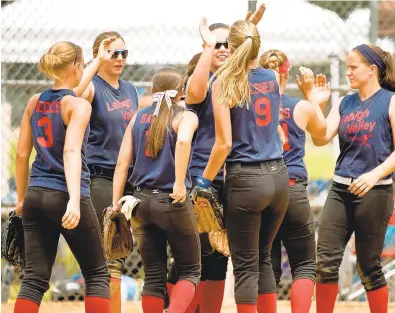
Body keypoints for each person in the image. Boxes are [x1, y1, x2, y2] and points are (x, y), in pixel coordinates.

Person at [196, 20, 289, 313]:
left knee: (246, 265)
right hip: (279, 176)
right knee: (263, 259)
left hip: (246, 178)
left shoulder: (223, 81)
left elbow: (223, 144)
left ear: (232, 47)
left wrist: (204, 181)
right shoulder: (273, 77)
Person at [313, 44, 395, 313]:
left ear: (372, 70)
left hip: (375, 191)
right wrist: (315, 107)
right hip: (340, 189)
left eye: (353, 67)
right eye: (347, 67)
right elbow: (320, 138)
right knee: (325, 262)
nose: (348, 73)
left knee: (368, 266)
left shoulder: (392, 101)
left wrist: (373, 175)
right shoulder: (345, 102)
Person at [14, 41, 110, 313]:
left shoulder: (35, 102)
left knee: (34, 279)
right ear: (75, 67)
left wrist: (21, 198)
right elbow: (70, 150)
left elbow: (22, 155)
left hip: (35, 194)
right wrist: (75, 201)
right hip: (65, 194)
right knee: (96, 274)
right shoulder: (79, 106)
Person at [112, 67, 201, 313]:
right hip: (171, 201)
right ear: (181, 92)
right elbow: (183, 141)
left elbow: (122, 163)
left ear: (153, 91)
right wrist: (179, 182)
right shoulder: (186, 115)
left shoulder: (137, 117)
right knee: (190, 270)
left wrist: (115, 202)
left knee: (153, 275)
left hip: (139, 201)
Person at [259, 49, 330, 313]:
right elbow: (321, 131)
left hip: (260, 188)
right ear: (286, 75)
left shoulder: (248, 107)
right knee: (304, 265)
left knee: (266, 263)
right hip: (291, 188)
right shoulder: (299, 107)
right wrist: (312, 95)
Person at [78, 31, 140, 313]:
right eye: (113, 53)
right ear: (99, 55)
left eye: (123, 53)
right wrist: (94, 63)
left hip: (131, 178)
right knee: (108, 256)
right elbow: (72, 92)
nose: (119, 58)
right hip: (102, 177)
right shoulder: (94, 87)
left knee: (130, 254)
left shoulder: (129, 88)